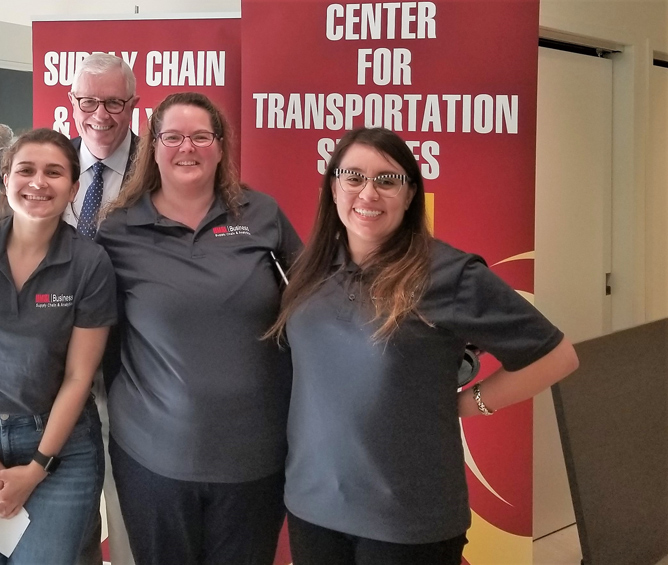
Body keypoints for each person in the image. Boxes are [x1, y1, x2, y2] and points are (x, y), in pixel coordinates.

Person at [267, 127, 579, 565]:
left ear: (410, 193)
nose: (368, 193)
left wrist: (470, 403)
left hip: (408, 521)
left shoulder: (448, 274)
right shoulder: (310, 269)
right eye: (353, 177)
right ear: (333, 188)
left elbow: (557, 357)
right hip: (313, 508)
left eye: (386, 180)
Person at [95, 92, 302, 565]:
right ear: (153, 146)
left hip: (255, 458)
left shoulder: (261, 214)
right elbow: (97, 335)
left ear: (221, 146)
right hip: (152, 458)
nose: (186, 147)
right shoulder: (119, 230)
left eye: (201, 136)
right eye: (172, 137)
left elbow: (315, 300)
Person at [0, 128, 116, 564]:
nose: (38, 182)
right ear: (7, 177)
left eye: (54, 172)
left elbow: (79, 377)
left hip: (58, 448)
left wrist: (36, 469)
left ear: (73, 188)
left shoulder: (90, 263)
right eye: (26, 170)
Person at [65, 52, 139, 565]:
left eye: (114, 103)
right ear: (72, 102)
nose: (100, 115)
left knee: (129, 511)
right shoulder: (54, 163)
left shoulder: (159, 167)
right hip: (56, 368)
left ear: (133, 105)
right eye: (89, 101)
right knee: (67, 518)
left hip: (130, 367)